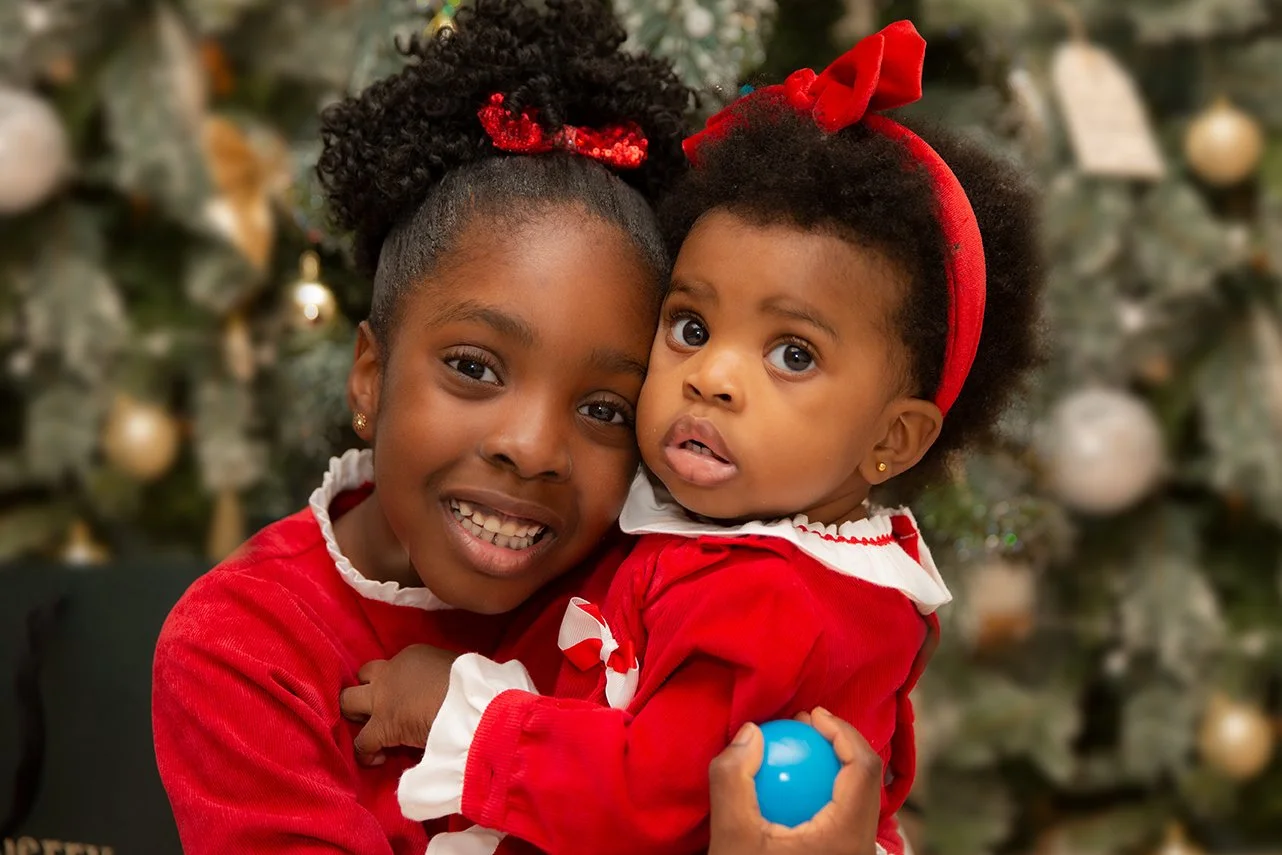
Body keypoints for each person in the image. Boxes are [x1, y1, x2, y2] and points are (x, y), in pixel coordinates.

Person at [151, 1, 886, 853]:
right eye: (474, 367)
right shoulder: (243, 648)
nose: (532, 447)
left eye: (604, 409)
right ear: (372, 374)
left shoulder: (666, 597)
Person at [352, 19, 1042, 855]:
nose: (711, 375)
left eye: (792, 353)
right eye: (689, 324)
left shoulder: (773, 600)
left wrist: (460, 715)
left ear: (891, 440)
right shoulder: (723, 532)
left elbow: (656, 796)